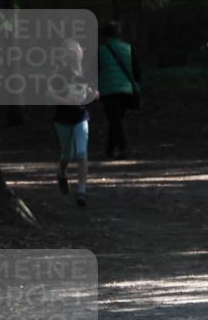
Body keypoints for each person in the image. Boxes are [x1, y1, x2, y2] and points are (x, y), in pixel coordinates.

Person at [50, 39, 99, 207]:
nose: (74, 54)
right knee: (67, 155)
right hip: (63, 120)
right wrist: (64, 100)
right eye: (70, 51)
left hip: (81, 117)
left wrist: (94, 93)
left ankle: (81, 191)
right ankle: (62, 171)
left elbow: (92, 90)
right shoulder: (60, 73)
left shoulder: (87, 72)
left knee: (81, 154)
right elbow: (49, 94)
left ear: (82, 52)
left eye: (76, 50)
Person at [97, 21, 140, 159]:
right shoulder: (128, 48)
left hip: (108, 90)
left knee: (114, 120)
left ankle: (123, 148)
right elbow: (136, 70)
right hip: (125, 89)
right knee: (116, 120)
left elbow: (94, 70)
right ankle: (109, 151)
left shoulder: (100, 50)